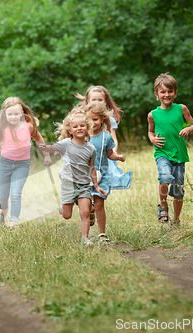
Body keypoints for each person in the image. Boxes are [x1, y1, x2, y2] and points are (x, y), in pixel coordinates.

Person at [0, 97, 51, 228]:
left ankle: (14, 221)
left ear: (21, 113)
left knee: (15, 193)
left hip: (22, 165)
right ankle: (3, 211)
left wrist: (46, 155)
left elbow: (39, 139)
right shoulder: (2, 128)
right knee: (2, 197)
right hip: (5, 164)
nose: (13, 117)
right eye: (10, 114)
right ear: (4, 114)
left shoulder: (29, 127)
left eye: (16, 114)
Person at [39, 109, 107, 246]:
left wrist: (97, 186)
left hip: (83, 185)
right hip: (68, 184)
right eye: (75, 126)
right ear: (70, 130)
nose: (79, 128)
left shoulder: (91, 148)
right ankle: (65, 205)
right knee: (66, 215)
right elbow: (52, 148)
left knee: (84, 212)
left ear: (87, 128)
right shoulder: (65, 143)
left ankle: (85, 238)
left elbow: (92, 168)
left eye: (82, 125)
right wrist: (43, 147)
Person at [147, 73, 193, 227]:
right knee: (164, 177)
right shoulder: (153, 114)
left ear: (175, 92)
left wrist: (188, 129)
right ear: (157, 94)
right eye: (163, 92)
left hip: (179, 155)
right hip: (162, 153)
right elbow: (150, 131)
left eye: (170, 91)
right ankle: (163, 205)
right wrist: (153, 139)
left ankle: (176, 219)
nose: (166, 95)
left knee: (178, 191)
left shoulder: (181, 109)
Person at [83, 102, 125, 245]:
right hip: (84, 176)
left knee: (100, 203)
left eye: (95, 119)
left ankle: (102, 234)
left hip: (102, 175)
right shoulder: (82, 137)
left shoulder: (106, 138)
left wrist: (117, 157)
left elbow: (110, 154)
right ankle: (90, 211)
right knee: (86, 204)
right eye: (89, 120)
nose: (92, 122)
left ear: (101, 119)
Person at [77, 85, 132, 190]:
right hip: (88, 155)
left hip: (104, 154)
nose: (97, 102)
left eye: (100, 100)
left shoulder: (109, 119)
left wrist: (113, 152)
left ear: (105, 101)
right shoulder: (83, 118)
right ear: (88, 101)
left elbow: (113, 138)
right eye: (94, 100)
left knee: (103, 178)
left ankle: (99, 197)